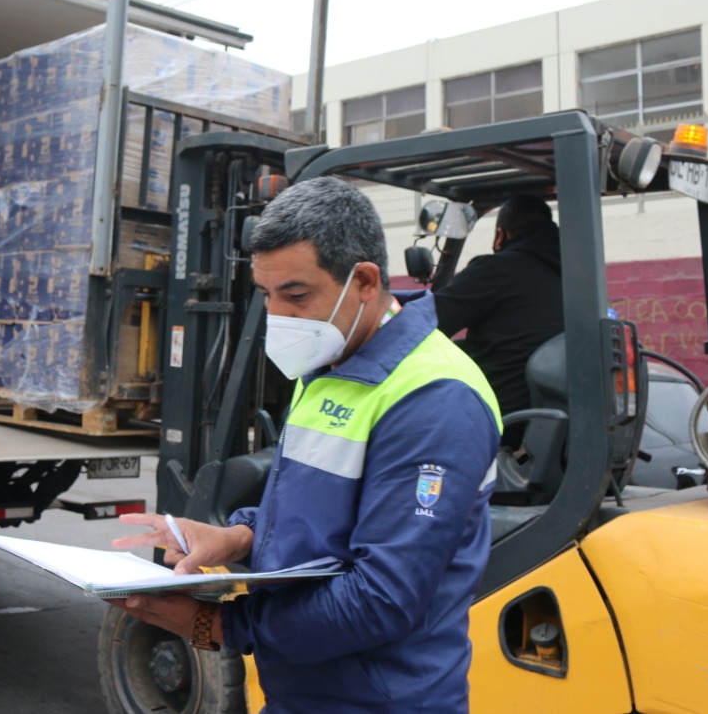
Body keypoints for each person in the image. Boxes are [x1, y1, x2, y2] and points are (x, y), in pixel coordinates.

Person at [111, 176, 502, 713]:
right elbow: (309, 503)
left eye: (295, 295)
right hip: (304, 688)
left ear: (363, 281)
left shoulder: (434, 399)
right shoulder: (329, 362)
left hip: (380, 700)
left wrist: (221, 623)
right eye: (266, 296)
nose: (278, 316)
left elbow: (382, 598)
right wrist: (238, 535)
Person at [433, 194, 564, 443]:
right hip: (551, 430)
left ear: (501, 235)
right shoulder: (575, 279)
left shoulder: (497, 270)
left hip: (498, 425)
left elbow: (425, 325)